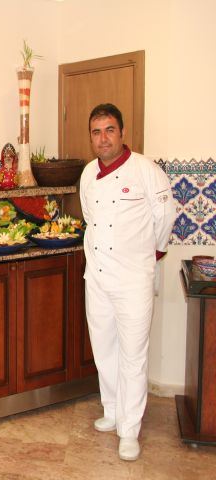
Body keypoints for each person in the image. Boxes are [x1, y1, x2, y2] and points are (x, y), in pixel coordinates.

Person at [79, 103, 175, 461]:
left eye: (109, 130)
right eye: (96, 132)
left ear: (122, 133)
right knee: (104, 348)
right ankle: (113, 410)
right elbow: (89, 218)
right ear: (91, 137)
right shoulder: (88, 174)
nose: (103, 138)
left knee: (133, 355)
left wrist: (153, 254)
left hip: (133, 279)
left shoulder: (147, 170)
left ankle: (130, 429)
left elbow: (165, 217)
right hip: (97, 277)